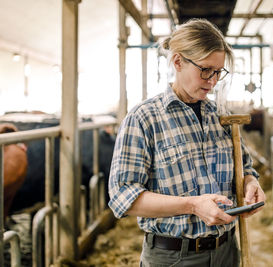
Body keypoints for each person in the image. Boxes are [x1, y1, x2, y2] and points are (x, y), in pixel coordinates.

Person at [108, 18, 265, 267]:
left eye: (218, 72)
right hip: (174, 256)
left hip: (226, 251)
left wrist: (250, 183)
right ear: (178, 61)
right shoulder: (144, 118)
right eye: (205, 70)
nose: (213, 81)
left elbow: (244, 168)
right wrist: (192, 205)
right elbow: (123, 196)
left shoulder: (220, 116)